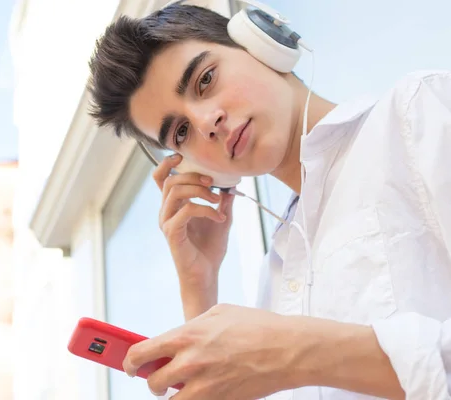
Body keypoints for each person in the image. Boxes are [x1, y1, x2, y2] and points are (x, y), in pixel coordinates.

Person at [86, 3, 451, 399]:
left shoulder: (418, 112)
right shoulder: (277, 271)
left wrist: (296, 354)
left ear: (261, 44)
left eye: (205, 79)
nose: (207, 123)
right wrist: (200, 291)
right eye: (180, 132)